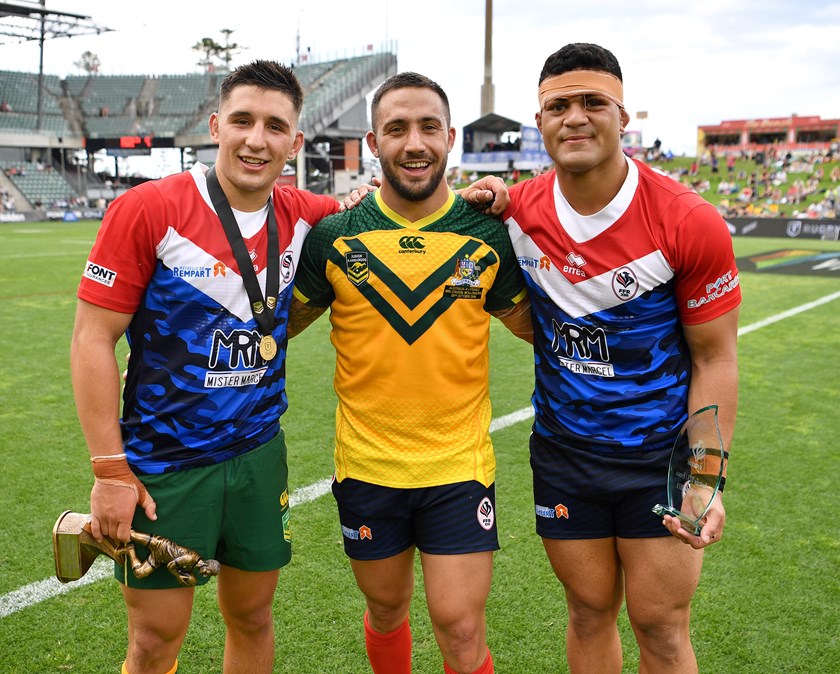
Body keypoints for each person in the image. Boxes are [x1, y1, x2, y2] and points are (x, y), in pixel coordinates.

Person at [70, 60, 342, 674]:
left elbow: (377, 212)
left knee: (252, 618)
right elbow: (93, 338)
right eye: (242, 120)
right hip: (165, 467)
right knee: (154, 640)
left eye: (276, 126)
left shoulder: (305, 214)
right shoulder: (150, 208)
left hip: (257, 454)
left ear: (294, 143)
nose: (256, 139)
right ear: (216, 125)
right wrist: (110, 470)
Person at [495, 43, 740, 672]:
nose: (575, 117)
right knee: (587, 611)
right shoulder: (514, 212)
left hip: (659, 460)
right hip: (563, 452)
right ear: (539, 120)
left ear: (623, 116)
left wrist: (706, 479)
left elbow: (715, 359)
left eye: (592, 103)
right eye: (558, 106)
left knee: (660, 627)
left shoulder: (687, 220)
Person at [287, 72, 532, 674]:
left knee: (460, 624)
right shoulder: (335, 237)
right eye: (396, 128)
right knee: (388, 610)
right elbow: (278, 326)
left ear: (450, 138)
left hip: (458, 466)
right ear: (374, 142)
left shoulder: (486, 234)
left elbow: (535, 326)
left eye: (428, 127)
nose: (414, 142)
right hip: (368, 465)